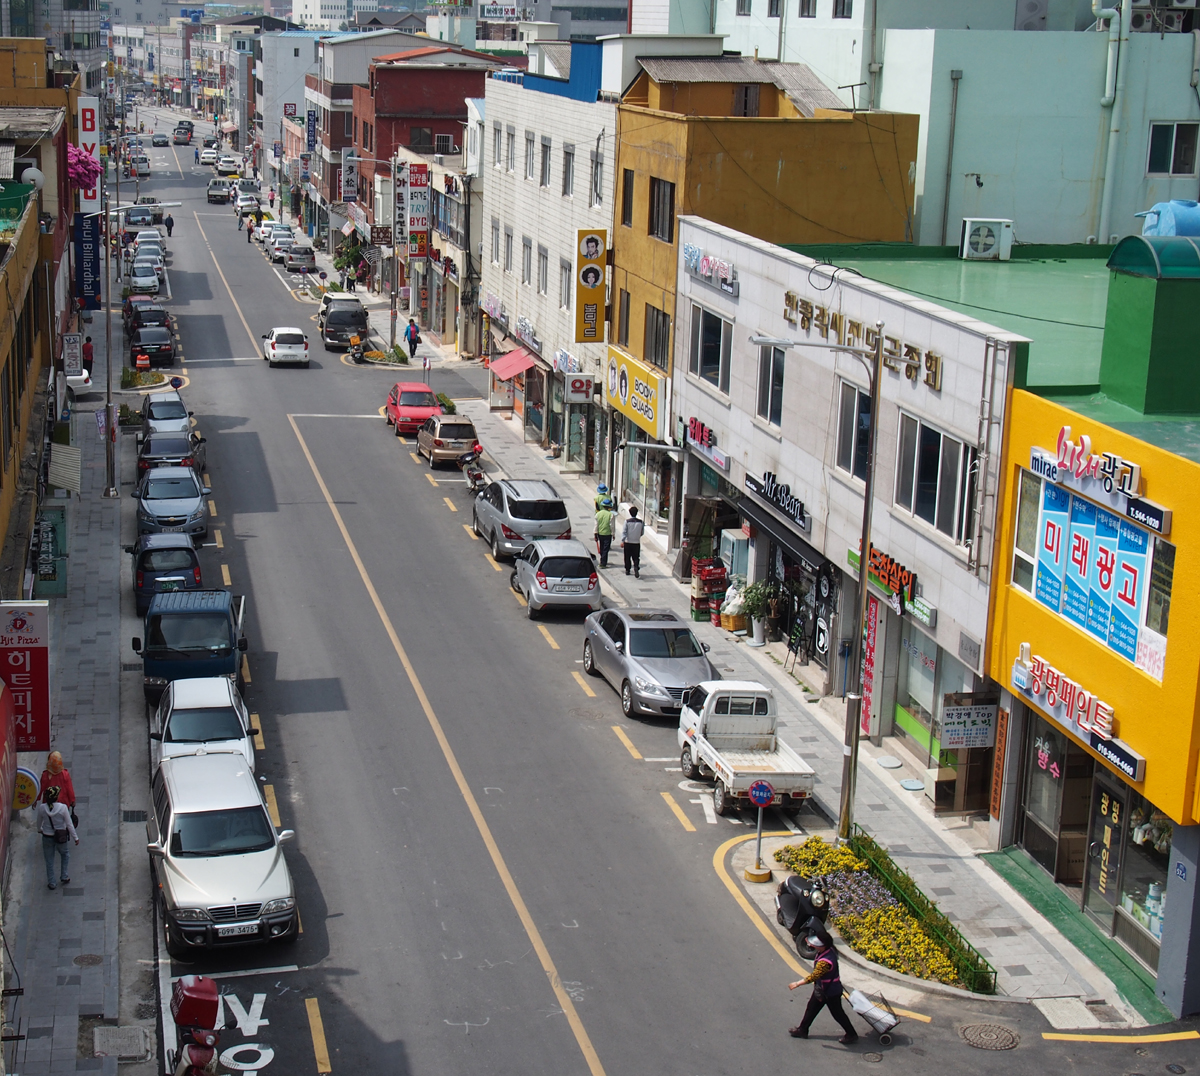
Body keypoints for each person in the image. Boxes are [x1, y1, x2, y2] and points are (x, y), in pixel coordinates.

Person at [788, 927, 858, 1044]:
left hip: (830, 992)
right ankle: (803, 1029)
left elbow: (814, 976)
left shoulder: (825, 962)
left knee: (838, 1014)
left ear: (823, 945)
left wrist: (797, 983)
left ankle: (851, 1034)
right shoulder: (829, 950)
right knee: (812, 1008)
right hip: (822, 990)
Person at [34, 785, 77, 891]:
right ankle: (64, 875)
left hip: (47, 836)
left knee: (49, 860)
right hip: (61, 836)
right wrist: (75, 837)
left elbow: (39, 822)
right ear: (57, 797)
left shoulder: (42, 808)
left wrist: (40, 829)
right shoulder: (63, 808)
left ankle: (52, 882)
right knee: (65, 854)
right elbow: (69, 824)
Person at [40, 751, 77, 821]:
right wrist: (72, 800)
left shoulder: (45, 775)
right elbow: (69, 789)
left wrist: (36, 800)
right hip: (63, 802)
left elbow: (41, 788)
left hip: (48, 802)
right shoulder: (65, 774)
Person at [621, 505, 645, 577]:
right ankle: (636, 566)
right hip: (636, 542)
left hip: (628, 542)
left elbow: (624, 532)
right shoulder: (641, 522)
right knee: (636, 557)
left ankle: (628, 570)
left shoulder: (627, 521)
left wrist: (623, 540)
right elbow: (642, 532)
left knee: (627, 557)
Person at [594, 498, 616, 569]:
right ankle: (603, 563)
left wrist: (595, 533)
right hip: (607, 534)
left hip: (600, 533)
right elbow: (612, 526)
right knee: (606, 549)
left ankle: (602, 560)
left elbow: (596, 525)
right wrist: (613, 534)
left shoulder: (598, 514)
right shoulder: (611, 515)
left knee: (602, 547)